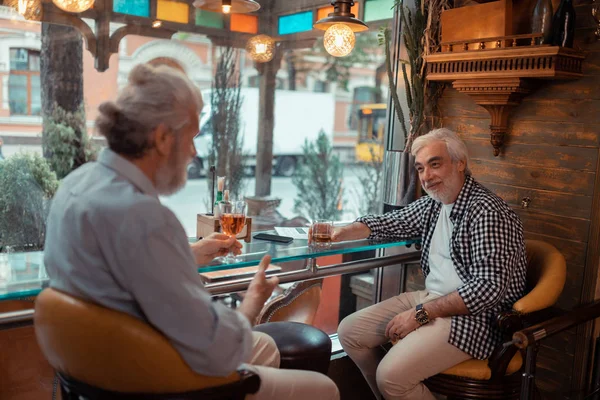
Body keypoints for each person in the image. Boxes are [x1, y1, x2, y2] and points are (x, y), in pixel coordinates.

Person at [43, 63, 339, 400]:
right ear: (162, 137)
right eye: (193, 137)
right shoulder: (144, 215)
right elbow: (217, 347)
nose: (194, 153)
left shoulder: (74, 186)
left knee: (266, 348)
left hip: (95, 367)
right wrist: (255, 299)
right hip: (154, 378)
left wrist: (190, 254)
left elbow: (120, 274)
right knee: (324, 389)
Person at [334, 128, 527, 400]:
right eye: (421, 168)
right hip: (431, 299)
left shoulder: (486, 212)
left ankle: (398, 388)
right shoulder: (434, 204)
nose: (426, 176)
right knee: (350, 332)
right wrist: (344, 230)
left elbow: (487, 289)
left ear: (460, 163)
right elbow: (393, 222)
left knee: (390, 376)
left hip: (477, 318)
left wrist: (420, 314)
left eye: (435, 164)